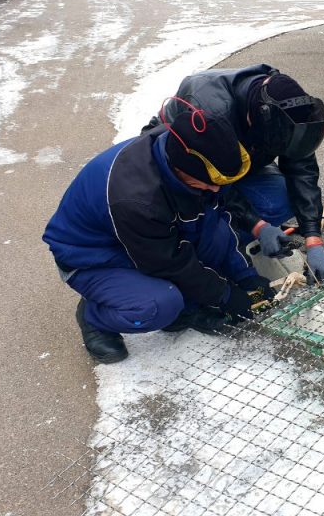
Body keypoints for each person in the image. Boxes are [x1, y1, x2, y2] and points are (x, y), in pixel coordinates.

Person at [43, 100, 273, 364]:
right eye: (210, 184)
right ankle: (94, 316)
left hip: (144, 240)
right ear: (181, 168)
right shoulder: (137, 200)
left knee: (215, 235)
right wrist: (226, 295)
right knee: (159, 305)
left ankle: (184, 307)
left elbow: (217, 222)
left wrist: (245, 277)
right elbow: (168, 263)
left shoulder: (190, 153)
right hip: (92, 257)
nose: (215, 190)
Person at [143, 64, 324, 282]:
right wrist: (257, 225)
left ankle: (235, 232)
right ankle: (217, 248)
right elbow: (213, 181)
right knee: (209, 217)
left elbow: (302, 170)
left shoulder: (289, 110)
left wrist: (313, 238)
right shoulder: (209, 110)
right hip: (189, 169)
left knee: (279, 202)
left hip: (243, 162)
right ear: (258, 120)